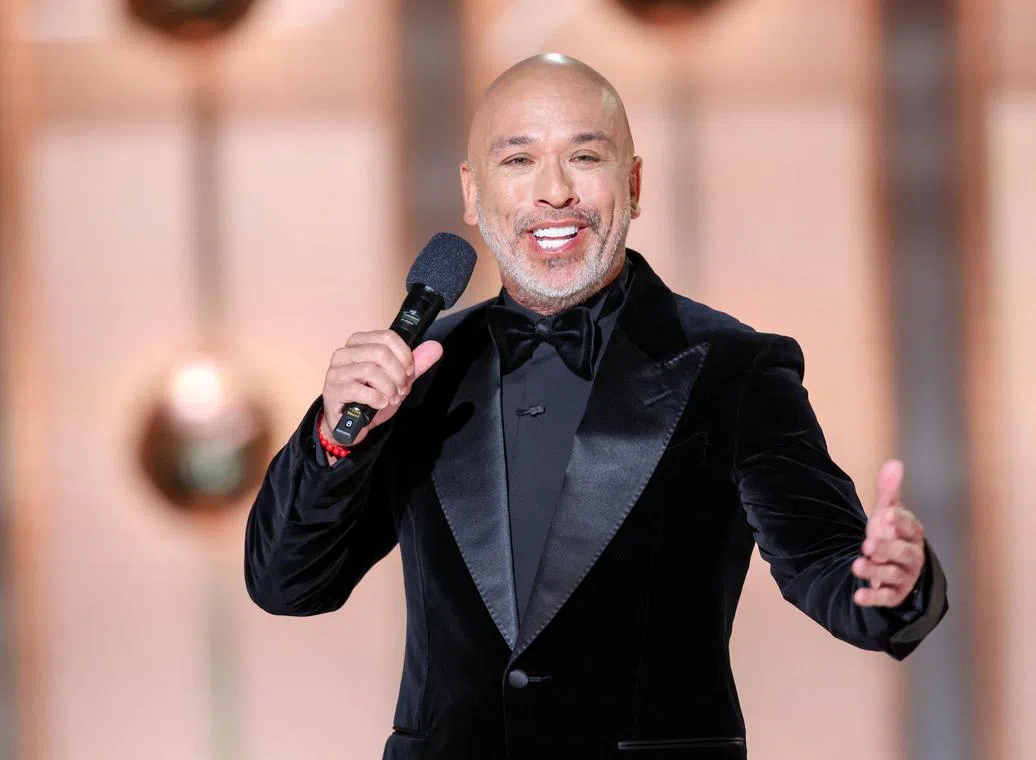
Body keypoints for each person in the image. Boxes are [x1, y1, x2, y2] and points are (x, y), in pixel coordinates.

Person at [244, 53, 948, 759]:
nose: (555, 191)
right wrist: (333, 444)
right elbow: (287, 584)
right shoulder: (418, 371)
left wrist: (890, 585)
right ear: (472, 192)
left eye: (585, 155)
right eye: (518, 160)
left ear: (634, 183)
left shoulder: (734, 366)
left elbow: (827, 561)